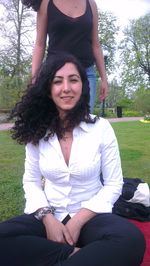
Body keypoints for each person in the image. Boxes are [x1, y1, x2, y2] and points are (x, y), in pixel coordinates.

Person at [0, 52, 145, 266]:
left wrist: (78, 221)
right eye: (57, 81)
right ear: (48, 90)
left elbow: (114, 184)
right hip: (49, 214)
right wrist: (48, 218)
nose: (66, 88)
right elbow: (31, 181)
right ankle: (71, 255)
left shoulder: (101, 128)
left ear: (83, 86)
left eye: (73, 80)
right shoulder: (37, 130)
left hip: (92, 217)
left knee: (131, 241)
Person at [22, 0, 108, 113]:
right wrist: (34, 79)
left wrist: (104, 79)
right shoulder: (46, 3)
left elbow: (96, 44)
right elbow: (39, 44)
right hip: (56, 75)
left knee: (84, 123)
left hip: (86, 74)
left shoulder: (91, 4)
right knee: (55, 122)